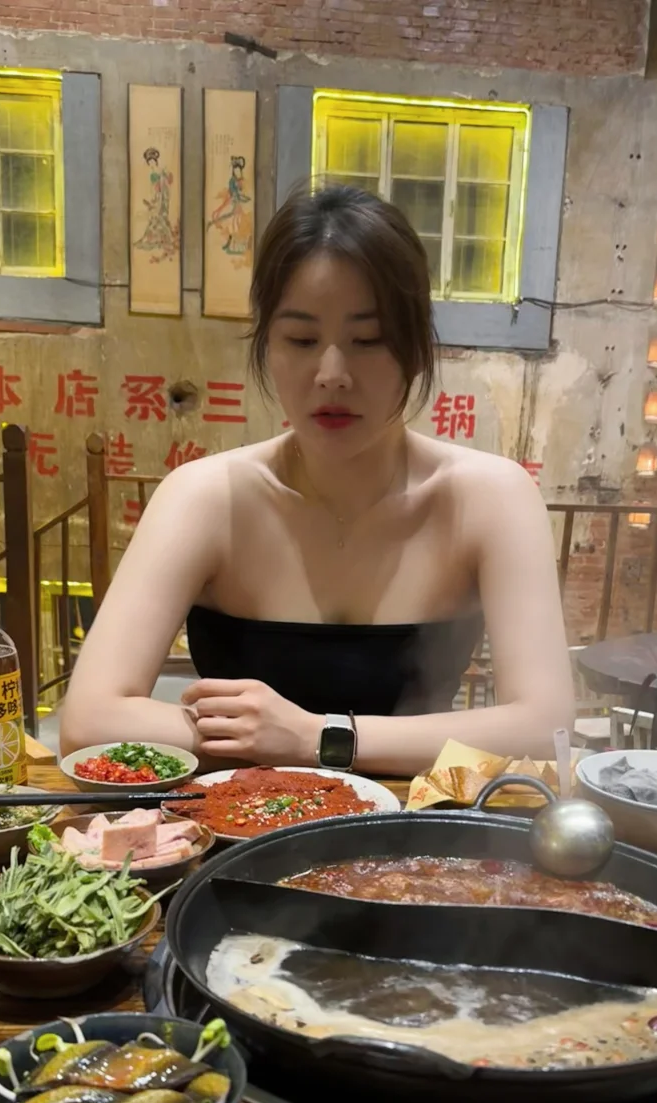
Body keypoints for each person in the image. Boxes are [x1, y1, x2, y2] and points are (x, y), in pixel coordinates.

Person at [61, 185, 573, 774]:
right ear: (268, 346)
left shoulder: (491, 498)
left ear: (415, 348)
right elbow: (88, 720)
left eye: (368, 340)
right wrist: (259, 737)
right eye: (301, 340)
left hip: (416, 819)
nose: (332, 374)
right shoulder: (204, 497)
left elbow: (545, 728)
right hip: (232, 817)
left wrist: (318, 736)